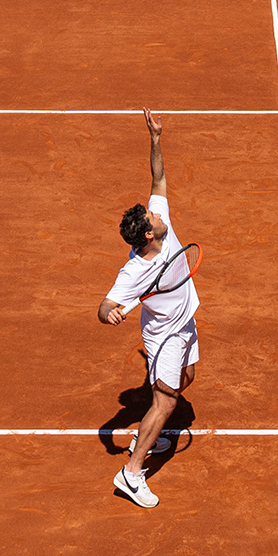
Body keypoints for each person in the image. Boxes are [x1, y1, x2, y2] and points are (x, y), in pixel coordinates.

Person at [99, 110, 197, 509]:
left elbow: (158, 178)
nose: (160, 214)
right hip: (164, 334)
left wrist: (155, 138)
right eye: (154, 217)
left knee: (186, 378)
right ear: (146, 234)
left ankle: (148, 433)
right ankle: (132, 472)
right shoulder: (134, 271)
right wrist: (110, 314)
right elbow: (104, 305)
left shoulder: (163, 225)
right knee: (167, 401)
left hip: (185, 321)